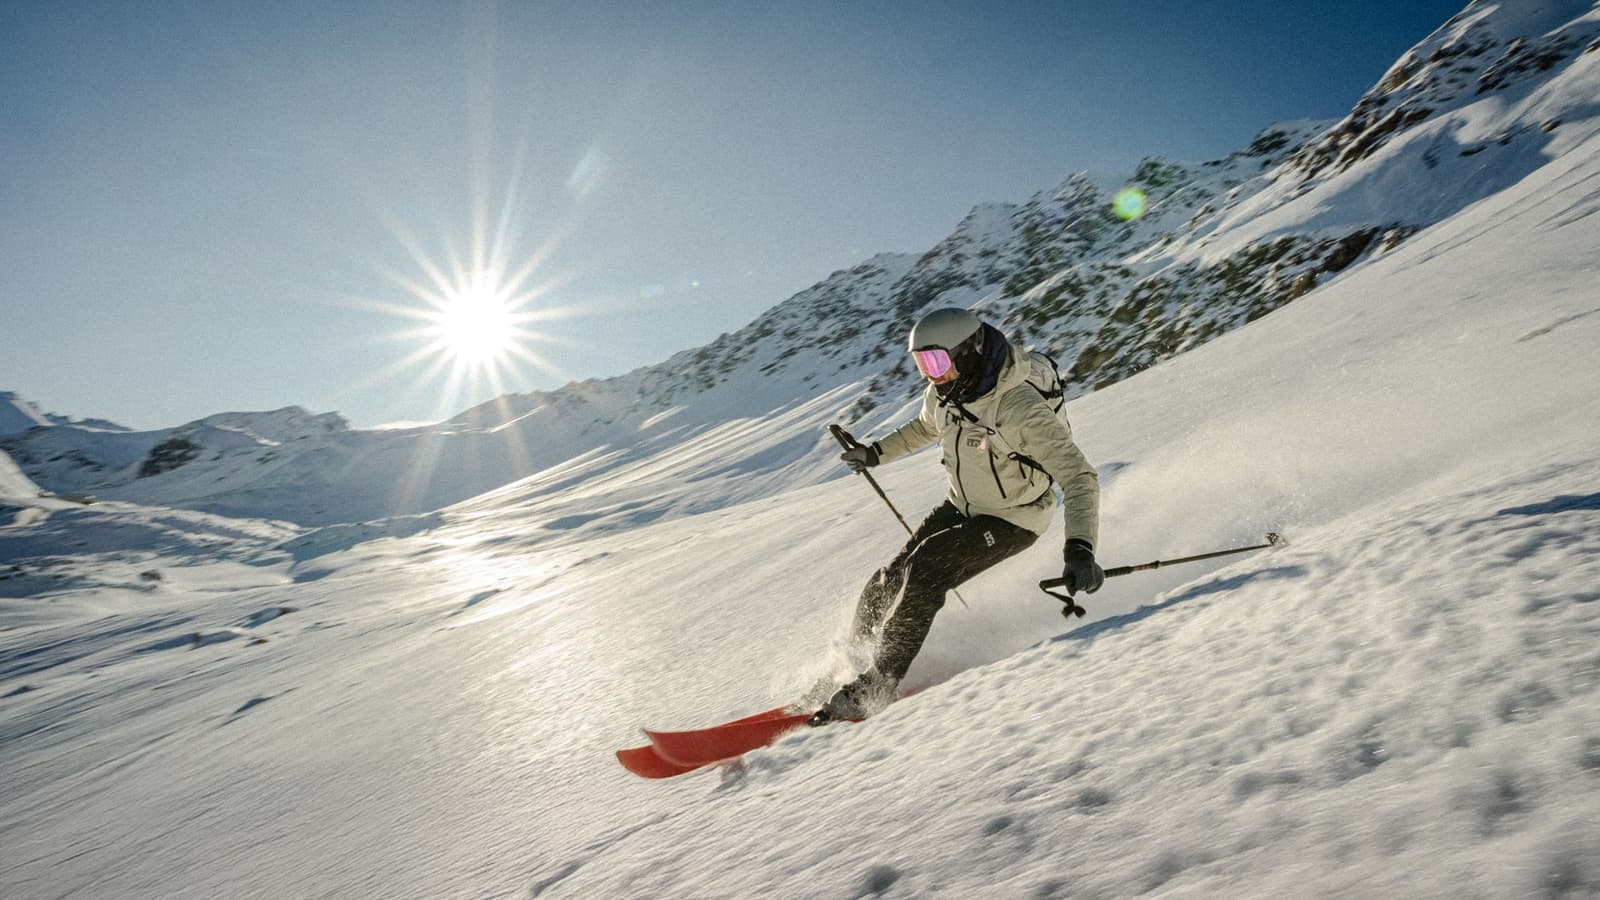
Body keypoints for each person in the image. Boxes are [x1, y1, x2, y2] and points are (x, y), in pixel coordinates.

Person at [815, 307, 1102, 722]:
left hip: (1015, 517)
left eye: (937, 362)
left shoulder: (1018, 407)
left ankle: (878, 684)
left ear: (968, 352)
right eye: (922, 364)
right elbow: (924, 428)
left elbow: (1079, 477)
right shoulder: (946, 393)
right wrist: (874, 453)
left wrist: (1080, 549)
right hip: (962, 504)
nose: (931, 375)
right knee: (890, 577)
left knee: (927, 569)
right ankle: (848, 665)